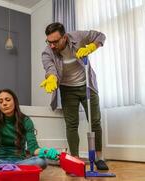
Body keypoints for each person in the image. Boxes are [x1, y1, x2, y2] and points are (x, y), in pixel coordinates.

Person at [40, 22, 108, 170]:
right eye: (49, 42)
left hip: (87, 85)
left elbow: (100, 36)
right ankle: (75, 160)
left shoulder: (78, 37)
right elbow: (50, 68)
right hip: (67, 89)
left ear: (64, 37)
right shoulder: (47, 52)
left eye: (55, 42)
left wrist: (92, 46)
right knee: (71, 124)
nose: (51, 45)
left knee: (95, 121)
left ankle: (99, 157)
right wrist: (51, 77)